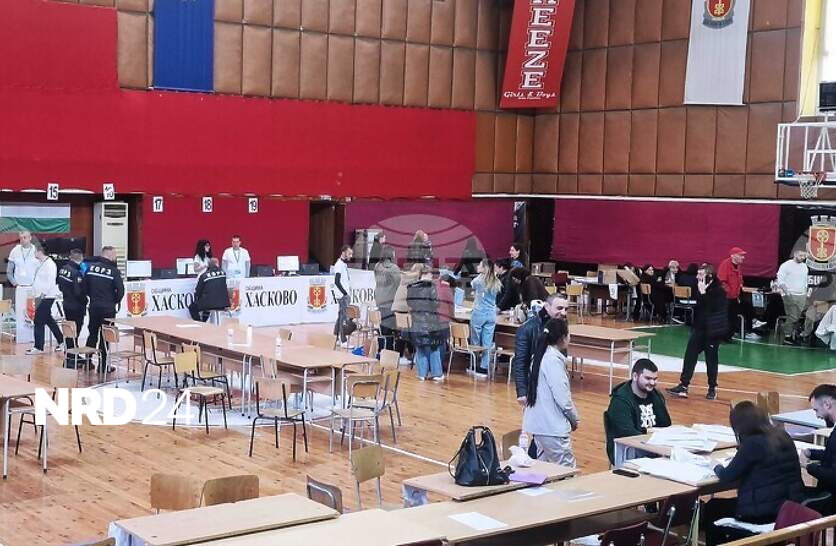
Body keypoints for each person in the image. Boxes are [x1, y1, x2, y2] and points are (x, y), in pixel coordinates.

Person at [705, 401, 804, 546]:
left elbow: (727, 476)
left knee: (712, 507)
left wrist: (716, 467)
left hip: (762, 513)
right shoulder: (783, 436)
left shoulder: (752, 443)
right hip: (789, 507)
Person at [523, 318, 579, 467]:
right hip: (552, 428)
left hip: (539, 427)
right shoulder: (553, 361)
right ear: (562, 338)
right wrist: (574, 419)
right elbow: (563, 399)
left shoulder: (540, 356)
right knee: (566, 471)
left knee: (545, 470)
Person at [667, 264, 728, 400]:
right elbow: (698, 307)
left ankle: (712, 388)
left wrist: (703, 293)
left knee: (711, 360)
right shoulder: (699, 287)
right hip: (699, 328)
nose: (697, 277)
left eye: (700, 274)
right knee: (690, 355)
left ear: (709, 276)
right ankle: (683, 385)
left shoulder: (719, 291)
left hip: (712, 331)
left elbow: (713, 308)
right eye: (698, 274)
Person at [605, 359, 672, 464]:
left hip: (653, 446)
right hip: (629, 450)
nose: (652, 383)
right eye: (648, 378)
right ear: (635, 376)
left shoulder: (655, 395)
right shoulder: (620, 401)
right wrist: (655, 441)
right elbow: (628, 434)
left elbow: (666, 424)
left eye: (655, 379)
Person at [513, 293, 569, 405]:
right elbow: (520, 362)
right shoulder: (527, 329)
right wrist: (522, 391)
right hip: (535, 388)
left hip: (556, 385)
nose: (563, 313)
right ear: (547, 307)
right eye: (559, 308)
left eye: (566, 309)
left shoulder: (561, 325)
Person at [84, 246, 124, 372]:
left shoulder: (90, 268)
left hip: (94, 306)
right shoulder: (113, 271)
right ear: (109, 255)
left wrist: (93, 297)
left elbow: (84, 286)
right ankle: (103, 366)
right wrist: (114, 301)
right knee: (105, 337)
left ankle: (88, 362)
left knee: (92, 334)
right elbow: (121, 291)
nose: (115, 257)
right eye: (115, 255)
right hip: (108, 309)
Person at [406, 266, 446, 381]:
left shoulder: (411, 287)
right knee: (434, 347)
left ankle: (422, 374)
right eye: (431, 274)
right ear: (427, 274)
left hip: (416, 321)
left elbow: (410, 303)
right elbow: (436, 304)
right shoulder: (431, 287)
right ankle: (437, 374)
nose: (432, 276)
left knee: (420, 347)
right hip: (430, 321)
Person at [803, 384, 836, 514]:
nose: (817, 416)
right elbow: (831, 454)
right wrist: (811, 453)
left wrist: (807, 466)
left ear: (827, 405)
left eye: (816, 410)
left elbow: (833, 476)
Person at [26, 245, 64, 355]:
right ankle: (62, 341)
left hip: (46, 296)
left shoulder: (50, 264)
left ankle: (38, 346)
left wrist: (43, 294)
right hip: (39, 295)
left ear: (40, 252)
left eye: (35, 251)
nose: (34, 253)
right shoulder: (40, 263)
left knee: (38, 320)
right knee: (48, 320)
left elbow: (50, 281)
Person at [718, 247, 758, 340]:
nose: (743, 257)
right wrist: (729, 292)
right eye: (741, 255)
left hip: (735, 296)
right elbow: (722, 281)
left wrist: (739, 287)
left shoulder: (738, 266)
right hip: (727, 297)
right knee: (729, 317)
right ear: (733, 256)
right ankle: (725, 336)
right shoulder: (725, 264)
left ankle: (735, 333)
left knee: (739, 313)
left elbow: (739, 279)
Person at [470, 258, 501, 376]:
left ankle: (474, 364)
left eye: (479, 265)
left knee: (475, 340)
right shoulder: (496, 281)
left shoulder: (479, 280)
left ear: (484, 268)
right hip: (491, 314)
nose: (477, 267)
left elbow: (472, 284)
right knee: (487, 341)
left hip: (479, 313)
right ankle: (484, 367)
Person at [776, 250, 809, 345]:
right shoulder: (786, 265)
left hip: (802, 295)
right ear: (795, 254)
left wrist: (805, 293)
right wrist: (787, 293)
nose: (802, 257)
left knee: (797, 316)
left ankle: (791, 334)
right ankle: (787, 336)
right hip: (789, 294)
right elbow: (780, 280)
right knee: (793, 316)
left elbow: (805, 280)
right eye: (800, 255)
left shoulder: (804, 266)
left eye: (804, 256)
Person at [57, 249, 87, 351]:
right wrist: (85, 301)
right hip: (76, 306)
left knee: (69, 330)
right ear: (81, 258)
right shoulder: (76, 273)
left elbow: (60, 287)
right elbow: (78, 292)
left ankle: (70, 352)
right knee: (75, 331)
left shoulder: (63, 269)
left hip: (66, 303)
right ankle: (73, 354)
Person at [373, 245, 401, 351]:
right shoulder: (394, 268)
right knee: (389, 330)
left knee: (382, 328)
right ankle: (388, 351)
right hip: (389, 302)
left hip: (379, 300)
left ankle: (381, 350)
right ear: (391, 255)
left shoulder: (377, 266)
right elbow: (399, 284)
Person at [332, 245, 353, 347]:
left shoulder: (343, 265)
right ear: (343, 252)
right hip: (342, 295)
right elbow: (337, 281)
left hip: (344, 294)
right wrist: (344, 293)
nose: (350, 256)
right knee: (343, 317)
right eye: (349, 253)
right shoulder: (339, 265)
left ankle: (335, 338)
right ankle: (343, 340)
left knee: (341, 316)